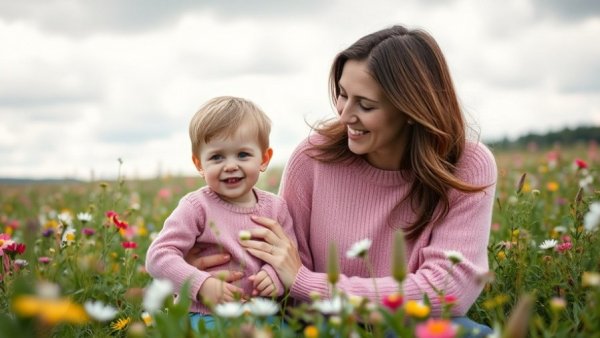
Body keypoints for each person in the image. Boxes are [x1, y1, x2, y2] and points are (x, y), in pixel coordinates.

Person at [188, 25, 497, 337]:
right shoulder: (312, 157)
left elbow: (446, 292)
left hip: (406, 327)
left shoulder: (467, 166)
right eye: (343, 95)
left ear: (410, 110)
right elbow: (282, 261)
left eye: (366, 105)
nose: (345, 115)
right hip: (322, 326)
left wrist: (306, 282)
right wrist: (196, 267)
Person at [146, 96, 296, 329]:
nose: (230, 165)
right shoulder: (196, 206)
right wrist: (202, 284)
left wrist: (274, 277)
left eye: (243, 155)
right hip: (204, 315)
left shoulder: (276, 208)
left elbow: (289, 254)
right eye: (217, 157)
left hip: (261, 314)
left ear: (264, 159)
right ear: (199, 164)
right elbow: (158, 256)